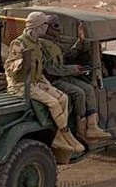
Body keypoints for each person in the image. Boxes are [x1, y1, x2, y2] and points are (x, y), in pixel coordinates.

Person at [5, 11, 84, 154]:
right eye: (44, 25)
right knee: (53, 103)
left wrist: (45, 82)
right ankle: (65, 133)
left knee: (63, 98)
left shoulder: (37, 43)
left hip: (36, 81)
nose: (46, 28)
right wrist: (21, 62)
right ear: (37, 27)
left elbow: (41, 66)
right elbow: (9, 68)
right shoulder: (19, 43)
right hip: (20, 84)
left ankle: (61, 136)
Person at [41, 15, 111, 143]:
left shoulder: (54, 43)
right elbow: (49, 69)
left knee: (88, 89)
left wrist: (80, 42)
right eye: (55, 26)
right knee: (79, 93)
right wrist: (72, 70)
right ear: (46, 28)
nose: (59, 29)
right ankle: (81, 131)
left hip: (61, 76)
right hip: (51, 80)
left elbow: (66, 57)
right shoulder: (41, 45)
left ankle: (92, 127)